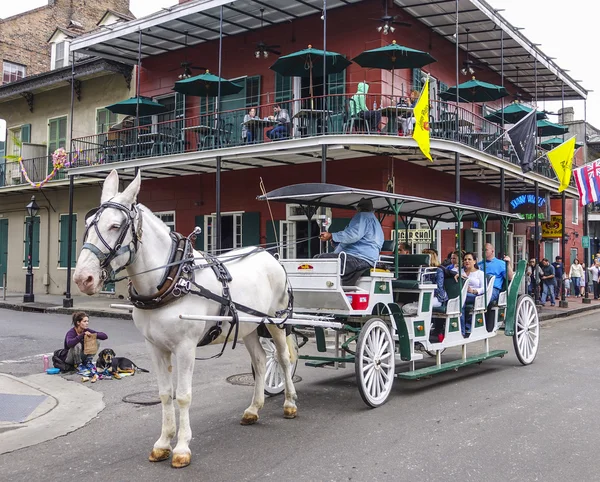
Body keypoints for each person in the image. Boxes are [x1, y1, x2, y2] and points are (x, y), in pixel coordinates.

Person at [317, 198, 384, 285]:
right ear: (372, 209)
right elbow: (361, 240)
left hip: (359, 258)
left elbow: (353, 235)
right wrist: (336, 242)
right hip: (368, 259)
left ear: (358, 209)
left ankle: (326, 288)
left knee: (320, 259)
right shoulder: (375, 222)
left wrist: (332, 235)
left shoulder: (363, 216)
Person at [64, 311, 108, 382]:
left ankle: (87, 362)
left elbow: (105, 336)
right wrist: (82, 335)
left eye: (87, 321)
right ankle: (78, 365)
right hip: (70, 358)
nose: (87, 323)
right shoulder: (71, 332)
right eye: (84, 321)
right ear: (78, 322)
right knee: (77, 345)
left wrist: (94, 335)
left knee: (96, 341)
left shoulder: (86, 330)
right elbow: (69, 344)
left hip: (81, 355)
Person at [456, 252, 484, 336]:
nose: (467, 261)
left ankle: (462, 331)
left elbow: (484, 288)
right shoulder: (460, 272)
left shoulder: (479, 273)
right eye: (465, 259)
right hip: (461, 294)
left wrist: (474, 291)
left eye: (469, 259)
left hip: (474, 296)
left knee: (461, 299)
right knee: (460, 300)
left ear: (474, 261)